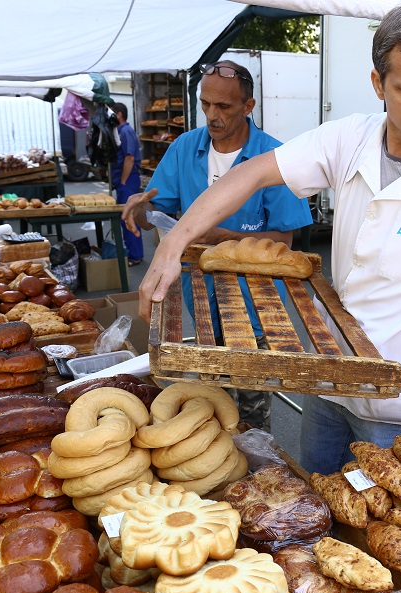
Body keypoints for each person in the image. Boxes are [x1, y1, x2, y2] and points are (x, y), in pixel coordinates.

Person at [138, 4, 401, 474]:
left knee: (380, 535)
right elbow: (253, 173)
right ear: (378, 83)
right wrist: (175, 242)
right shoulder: (349, 141)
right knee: (315, 511)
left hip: (395, 416)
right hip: (328, 386)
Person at [122, 60, 313, 432]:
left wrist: (224, 238)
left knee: (252, 409)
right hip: (200, 297)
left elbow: (284, 244)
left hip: (255, 305)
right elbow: (157, 215)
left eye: (224, 106)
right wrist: (140, 209)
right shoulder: (184, 148)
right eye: (206, 104)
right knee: (213, 402)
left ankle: (259, 476)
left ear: (248, 106)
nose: (212, 115)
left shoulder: (275, 158)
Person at [111, 102, 143, 267]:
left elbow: (129, 158)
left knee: (129, 218)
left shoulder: (126, 132)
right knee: (125, 218)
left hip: (128, 181)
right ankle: (133, 253)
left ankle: (135, 255)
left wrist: (123, 181)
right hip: (124, 181)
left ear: (119, 115)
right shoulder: (120, 132)